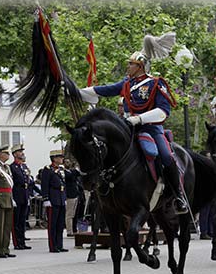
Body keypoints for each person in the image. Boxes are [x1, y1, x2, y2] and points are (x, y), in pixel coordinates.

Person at [80, 49, 187, 213]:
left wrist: (140, 118)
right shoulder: (126, 84)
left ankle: (178, 195)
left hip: (151, 129)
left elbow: (163, 111)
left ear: (141, 66)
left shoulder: (156, 83)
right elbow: (105, 90)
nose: (128, 66)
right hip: (128, 128)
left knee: (165, 155)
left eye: (131, 64)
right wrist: (77, 91)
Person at [40, 151, 67, 253]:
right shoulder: (48, 170)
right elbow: (45, 185)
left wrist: (64, 197)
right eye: (59, 157)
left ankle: (59, 245)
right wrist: (46, 198)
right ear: (54, 158)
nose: (61, 159)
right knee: (53, 224)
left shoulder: (60, 169)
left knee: (60, 224)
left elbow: (64, 184)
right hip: (53, 199)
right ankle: (53, 246)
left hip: (60, 198)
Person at [10, 146, 31, 251]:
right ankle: (17, 242)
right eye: (19, 152)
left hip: (24, 194)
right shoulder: (12, 167)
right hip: (17, 194)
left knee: (22, 220)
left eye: (22, 151)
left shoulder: (24, 167)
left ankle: (22, 241)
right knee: (16, 220)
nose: (22, 153)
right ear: (14, 154)